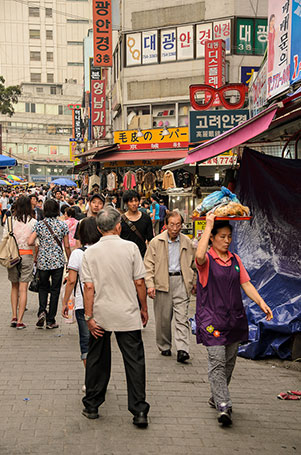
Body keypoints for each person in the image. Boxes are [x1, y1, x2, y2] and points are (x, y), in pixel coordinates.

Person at [195, 213, 273, 426]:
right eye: (222, 236)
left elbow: (246, 283)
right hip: (211, 321)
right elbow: (199, 256)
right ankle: (223, 405)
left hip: (234, 320)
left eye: (229, 236)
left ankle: (216, 396)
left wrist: (261, 302)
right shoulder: (207, 260)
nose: (227, 240)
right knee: (217, 361)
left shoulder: (235, 260)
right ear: (212, 238)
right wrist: (209, 224)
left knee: (229, 362)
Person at [81, 207, 150, 427]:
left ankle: (92, 405)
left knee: (97, 360)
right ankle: (139, 411)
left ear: (99, 229)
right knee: (134, 362)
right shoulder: (131, 248)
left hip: (101, 315)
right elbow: (140, 282)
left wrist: (89, 317)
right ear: (118, 226)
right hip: (127, 313)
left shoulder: (89, 253)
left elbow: (88, 288)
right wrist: (144, 308)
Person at [144, 211, 196, 363]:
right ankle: (164, 345)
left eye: (178, 224)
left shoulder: (187, 242)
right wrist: (150, 284)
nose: (175, 228)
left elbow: (194, 264)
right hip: (162, 282)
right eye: (172, 224)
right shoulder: (156, 242)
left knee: (182, 317)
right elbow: (148, 265)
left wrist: (193, 281)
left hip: (181, 281)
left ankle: (183, 349)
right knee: (163, 319)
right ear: (166, 225)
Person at [62, 217, 101, 387]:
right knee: (100, 343)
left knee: (86, 342)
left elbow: (71, 281)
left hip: (83, 304)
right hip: (104, 303)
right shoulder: (104, 251)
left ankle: (90, 379)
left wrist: (64, 302)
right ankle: (99, 378)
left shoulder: (78, 253)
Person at [28, 199, 71, 329]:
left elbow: (30, 241)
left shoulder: (40, 225)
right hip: (58, 262)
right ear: (57, 210)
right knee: (55, 291)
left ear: (45, 210)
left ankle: (42, 311)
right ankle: (51, 320)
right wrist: (70, 260)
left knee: (43, 288)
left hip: (43, 262)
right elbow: (67, 246)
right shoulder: (63, 225)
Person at [3, 196, 37, 329]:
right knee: (23, 289)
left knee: (14, 287)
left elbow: (4, 239)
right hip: (27, 255)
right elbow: (36, 243)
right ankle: (20, 320)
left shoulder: (10, 221)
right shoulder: (33, 222)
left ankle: (13, 316)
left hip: (12, 257)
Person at [120, 190, 153, 258]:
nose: (134, 203)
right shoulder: (121, 220)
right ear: (126, 203)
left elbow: (150, 239)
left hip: (142, 256)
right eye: (131, 201)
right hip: (125, 257)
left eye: (136, 200)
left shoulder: (146, 218)